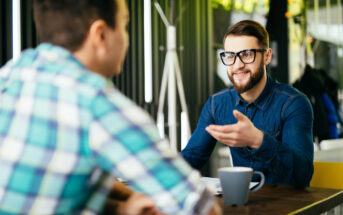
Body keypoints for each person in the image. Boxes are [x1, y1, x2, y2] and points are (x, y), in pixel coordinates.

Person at [0, 0, 221, 214]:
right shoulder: (98, 105)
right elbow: (203, 208)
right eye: (125, 25)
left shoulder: (12, 73)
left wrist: (122, 207)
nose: (127, 38)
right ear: (101, 35)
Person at [181, 20, 314, 188]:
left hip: (286, 207)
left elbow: (302, 175)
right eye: (230, 56)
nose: (237, 65)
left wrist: (258, 140)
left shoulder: (293, 103)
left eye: (246, 54)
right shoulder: (217, 104)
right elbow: (192, 157)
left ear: (267, 56)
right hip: (241, 204)